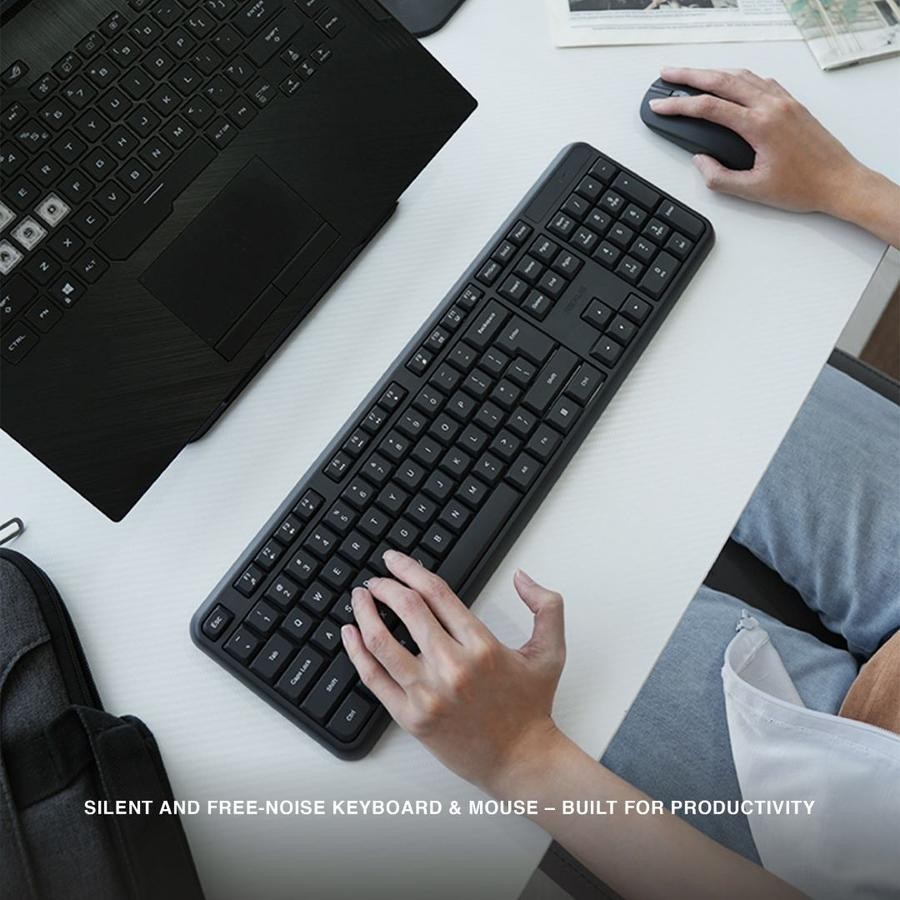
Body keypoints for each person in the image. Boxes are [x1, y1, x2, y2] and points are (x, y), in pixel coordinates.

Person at [340, 68, 900, 899]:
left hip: (862, 816)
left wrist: (521, 758)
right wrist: (849, 184)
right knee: (687, 352)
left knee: (454, 614)